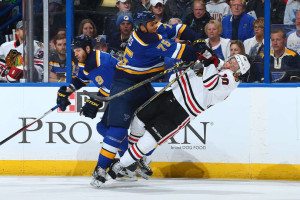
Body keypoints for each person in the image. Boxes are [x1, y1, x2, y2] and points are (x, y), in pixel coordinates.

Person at [92, 10, 214, 187]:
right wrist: (199, 51)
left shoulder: (152, 29)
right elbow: (185, 52)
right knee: (118, 131)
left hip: (143, 85)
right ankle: (100, 169)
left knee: (154, 125)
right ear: (141, 26)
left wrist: (198, 40)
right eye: (151, 24)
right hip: (125, 85)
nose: (156, 25)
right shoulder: (145, 42)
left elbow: (180, 28)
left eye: (155, 22)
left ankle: (136, 159)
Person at [108, 54, 251, 180]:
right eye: (233, 59)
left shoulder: (230, 81)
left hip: (181, 112)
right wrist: (199, 59)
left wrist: (209, 63)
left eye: (236, 65)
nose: (231, 63)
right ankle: (132, 161)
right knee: (138, 120)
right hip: (170, 96)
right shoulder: (218, 64)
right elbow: (193, 66)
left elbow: (210, 83)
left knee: (149, 140)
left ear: (238, 73)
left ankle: (121, 165)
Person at [55, 35, 125, 187]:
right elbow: (81, 80)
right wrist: (66, 92)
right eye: (75, 50)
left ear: (87, 49)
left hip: (126, 96)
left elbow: (112, 88)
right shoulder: (85, 61)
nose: (76, 53)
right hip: (119, 97)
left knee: (106, 128)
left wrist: (95, 101)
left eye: (78, 50)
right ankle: (129, 160)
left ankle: (129, 161)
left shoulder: (102, 62)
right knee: (103, 128)